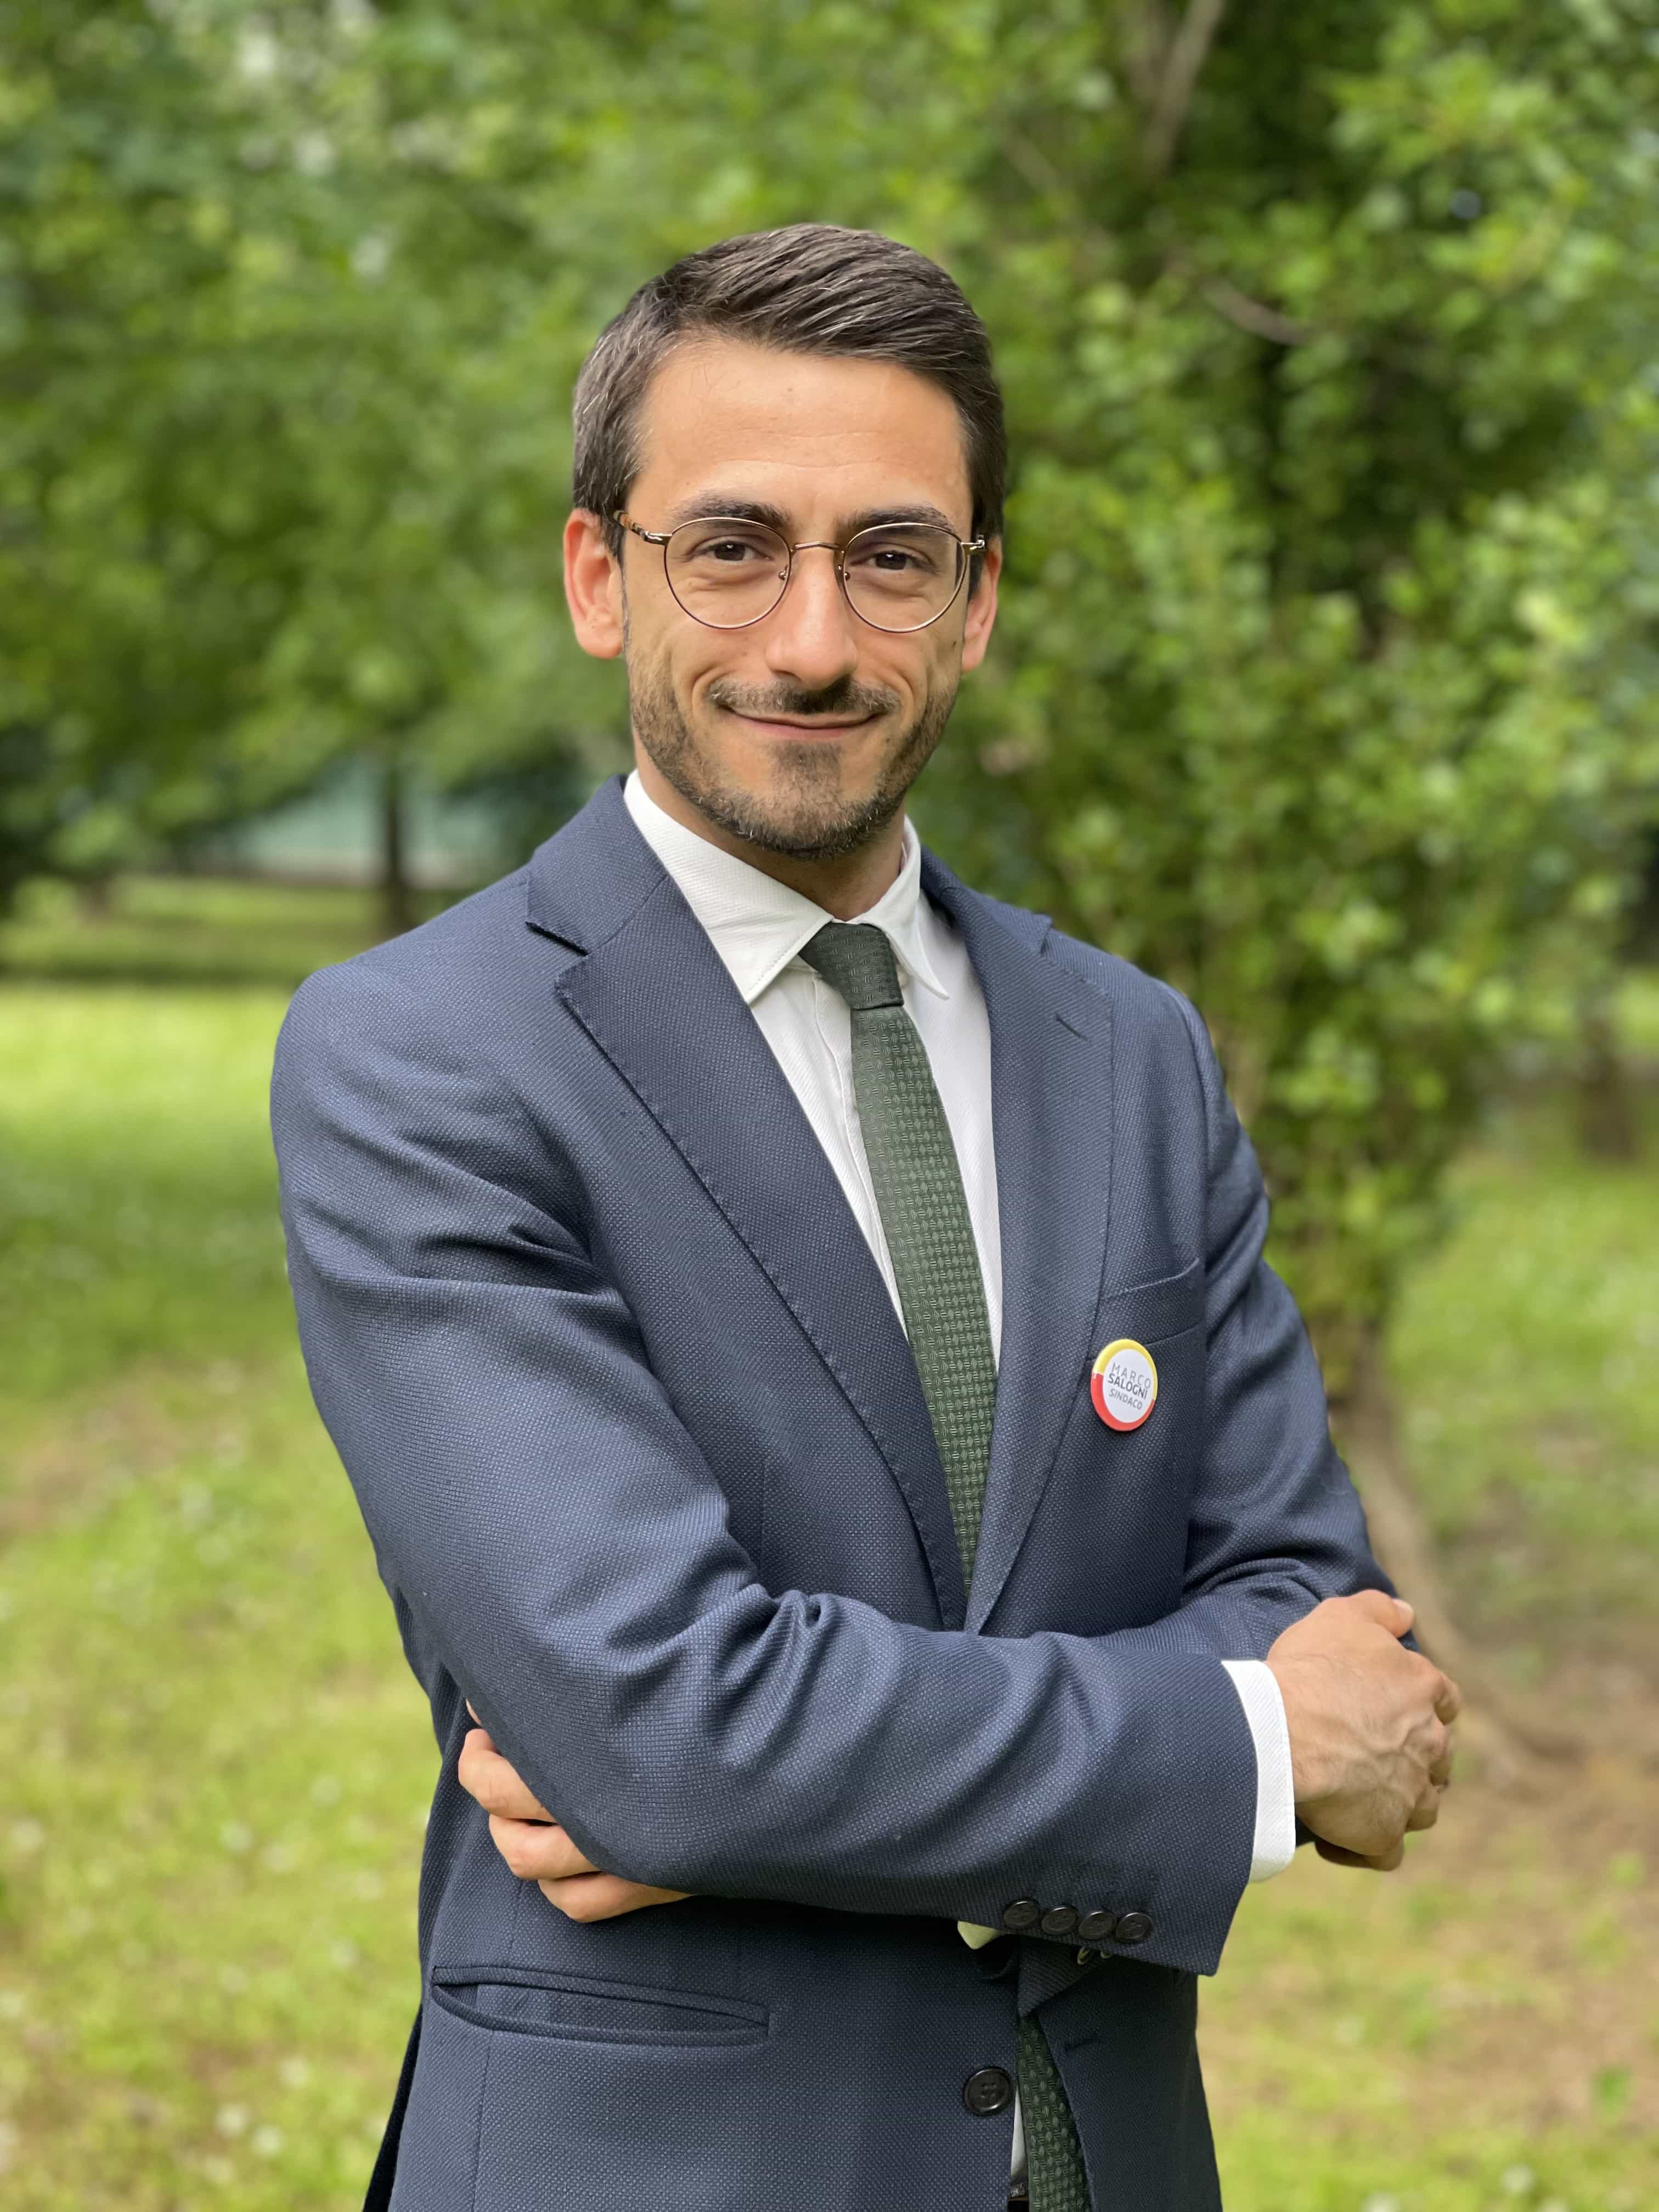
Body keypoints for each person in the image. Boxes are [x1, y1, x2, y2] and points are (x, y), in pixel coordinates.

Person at [270, 224, 1458, 2212]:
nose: (812, 639)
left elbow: (1294, 1587)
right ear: (598, 576)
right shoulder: (425, 1058)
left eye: (892, 555)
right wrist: (1250, 1754)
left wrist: (763, 1795)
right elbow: (654, 1715)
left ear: (975, 602)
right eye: (731, 546)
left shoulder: (1131, 1045)